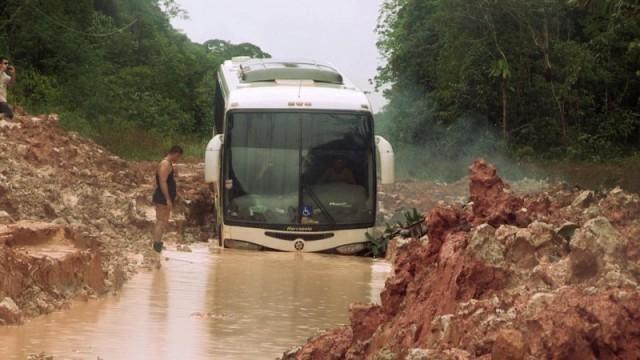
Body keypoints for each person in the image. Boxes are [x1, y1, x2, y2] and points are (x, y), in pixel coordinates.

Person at [152, 145, 183, 253]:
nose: (178, 159)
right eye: (178, 156)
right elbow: (162, 181)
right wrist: (167, 199)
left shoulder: (168, 164)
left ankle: (158, 243)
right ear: (175, 153)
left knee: (163, 221)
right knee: (160, 221)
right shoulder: (165, 164)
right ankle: (156, 245)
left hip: (164, 197)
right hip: (162, 198)